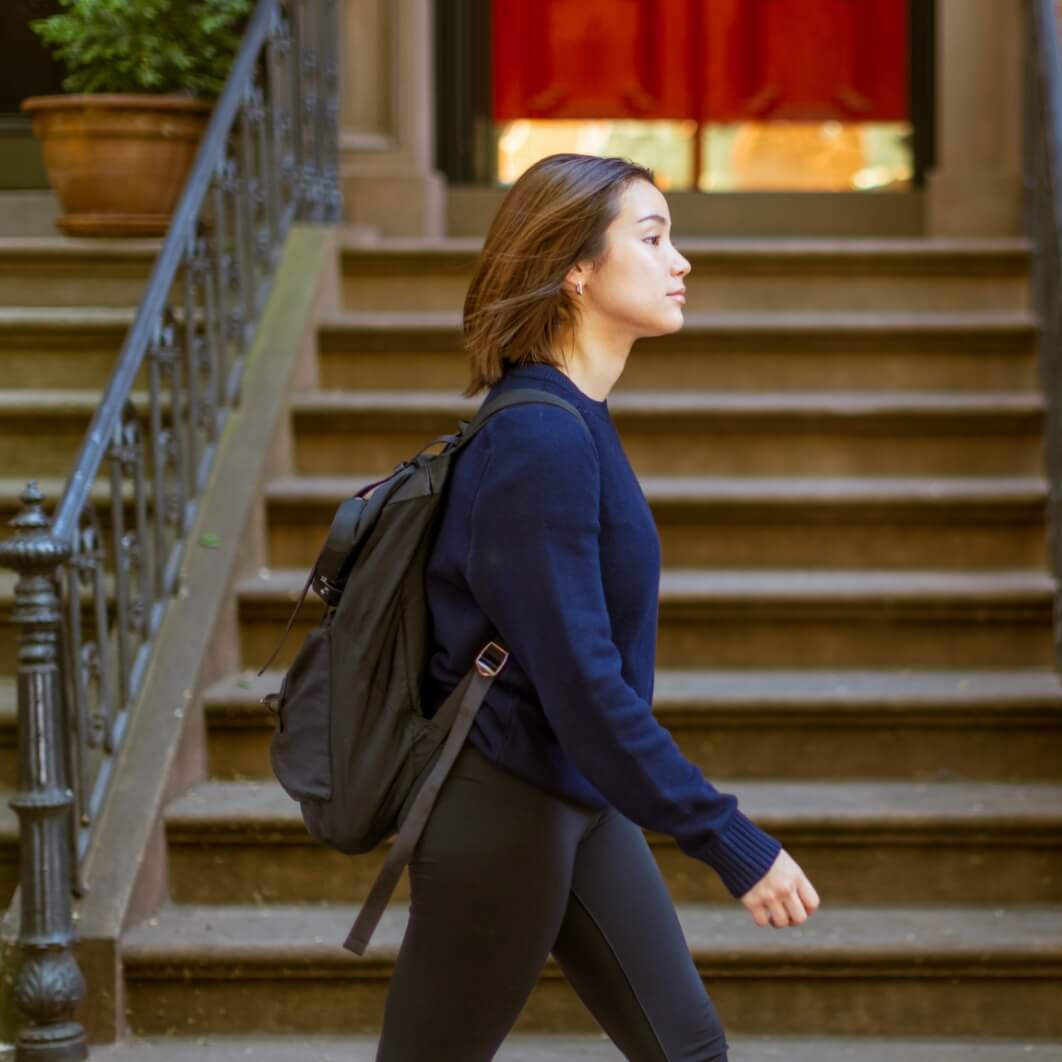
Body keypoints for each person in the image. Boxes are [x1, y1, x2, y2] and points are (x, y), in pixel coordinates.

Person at [374, 153, 821, 1062]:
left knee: (688, 1052)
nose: (681, 261)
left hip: (577, 795)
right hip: (501, 807)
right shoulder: (539, 436)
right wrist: (729, 838)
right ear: (576, 267)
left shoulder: (574, 418)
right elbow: (584, 686)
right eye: (653, 238)